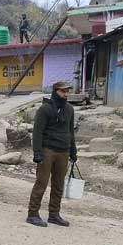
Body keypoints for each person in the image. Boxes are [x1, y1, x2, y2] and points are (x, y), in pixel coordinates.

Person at [27, 81, 77, 227]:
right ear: (55, 91)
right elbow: (37, 132)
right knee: (41, 182)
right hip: (48, 149)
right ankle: (33, 214)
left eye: (67, 91)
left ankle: (54, 214)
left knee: (58, 184)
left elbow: (70, 132)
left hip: (63, 151)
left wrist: (73, 151)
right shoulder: (45, 109)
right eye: (63, 91)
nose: (66, 94)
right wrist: (37, 152)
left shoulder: (69, 109)